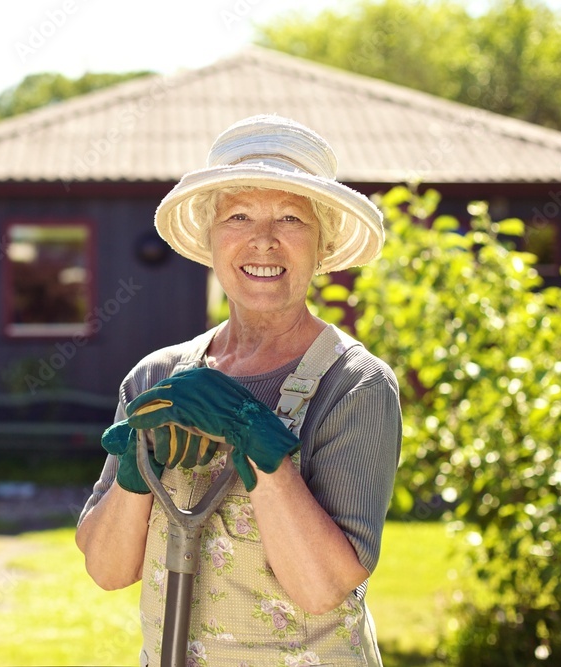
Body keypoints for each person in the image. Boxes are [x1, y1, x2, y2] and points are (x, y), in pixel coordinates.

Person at [76, 114, 402, 667]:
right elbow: (107, 570)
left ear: (322, 247)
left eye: (292, 218)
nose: (264, 240)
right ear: (211, 237)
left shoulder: (354, 384)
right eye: (239, 215)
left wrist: (259, 439)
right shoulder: (155, 378)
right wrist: (135, 472)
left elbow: (322, 587)